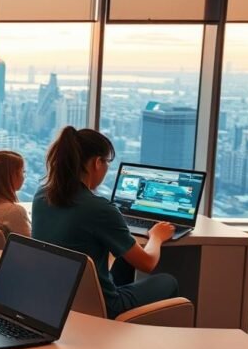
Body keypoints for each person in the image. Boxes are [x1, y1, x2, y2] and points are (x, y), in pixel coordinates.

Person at [31, 126, 179, 319]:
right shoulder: (99, 208)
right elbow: (147, 263)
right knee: (168, 281)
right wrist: (157, 236)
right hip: (102, 306)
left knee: (124, 262)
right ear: (97, 163)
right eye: (107, 162)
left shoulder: (41, 195)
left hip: (56, 299)